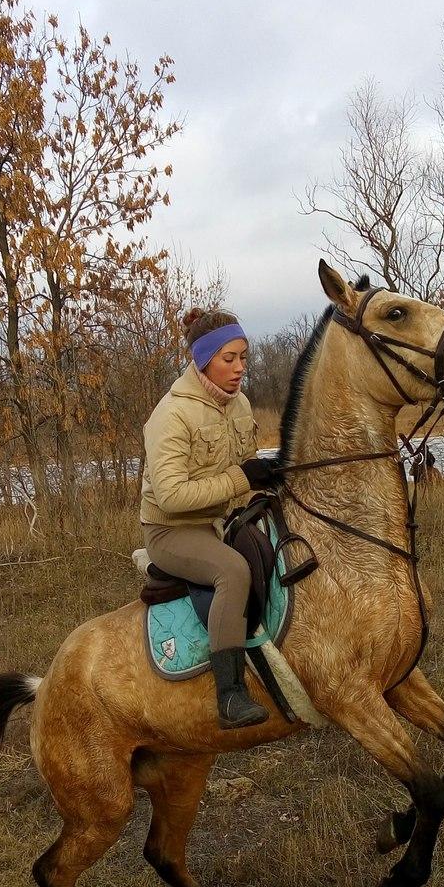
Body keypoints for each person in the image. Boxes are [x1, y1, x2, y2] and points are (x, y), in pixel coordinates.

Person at [140, 307, 281, 729]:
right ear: (203, 360)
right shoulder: (171, 415)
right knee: (233, 572)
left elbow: (246, 464)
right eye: (229, 359)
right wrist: (241, 478)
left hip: (220, 521)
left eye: (244, 357)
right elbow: (172, 495)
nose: (240, 368)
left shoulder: (240, 405)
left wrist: (268, 477)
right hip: (172, 531)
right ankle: (231, 696)